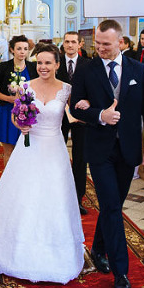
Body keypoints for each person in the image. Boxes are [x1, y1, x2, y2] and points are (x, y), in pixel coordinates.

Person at [0, 43, 86, 284]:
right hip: (29, 146)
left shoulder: (67, 89)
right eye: (40, 62)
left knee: (53, 195)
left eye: (48, 63)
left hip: (54, 149)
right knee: (26, 193)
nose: (43, 67)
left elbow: (75, 114)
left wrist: (87, 109)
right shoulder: (26, 86)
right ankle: (16, 247)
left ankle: (55, 250)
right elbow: (16, 114)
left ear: (57, 65)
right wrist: (20, 124)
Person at [70, 20, 144, 288]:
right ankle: (121, 272)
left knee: (113, 206)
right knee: (110, 206)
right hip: (99, 150)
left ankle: (98, 248)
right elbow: (76, 106)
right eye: (97, 43)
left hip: (128, 149)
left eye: (106, 44)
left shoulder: (138, 70)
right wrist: (99, 114)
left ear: (120, 42)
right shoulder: (86, 69)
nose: (100, 48)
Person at [56, 31, 91, 214]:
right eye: (67, 42)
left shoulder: (88, 64)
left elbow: (94, 88)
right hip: (58, 115)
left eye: (73, 42)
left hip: (80, 116)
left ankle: (78, 199)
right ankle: (58, 197)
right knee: (57, 157)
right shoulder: (56, 63)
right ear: (63, 44)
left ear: (80, 44)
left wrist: (89, 102)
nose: (70, 45)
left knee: (80, 158)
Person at [0, 35, 37, 166]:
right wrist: (9, 99)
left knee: (27, 150)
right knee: (9, 151)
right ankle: (8, 178)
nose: (22, 52)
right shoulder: (4, 67)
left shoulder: (33, 67)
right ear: (12, 50)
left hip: (28, 114)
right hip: (7, 112)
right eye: (19, 48)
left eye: (25, 49)